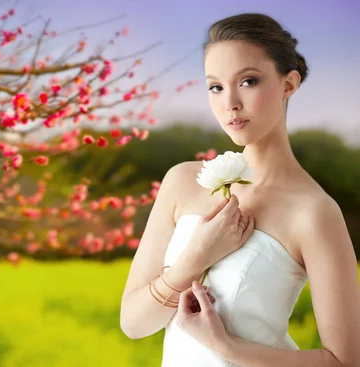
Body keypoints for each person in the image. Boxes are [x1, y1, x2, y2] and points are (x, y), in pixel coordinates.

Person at [119, 13, 360, 367]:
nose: (229, 102)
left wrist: (226, 346)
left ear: (288, 85)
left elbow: (344, 361)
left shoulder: (313, 211)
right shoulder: (183, 182)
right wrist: (195, 258)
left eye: (248, 81)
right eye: (215, 86)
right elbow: (134, 324)